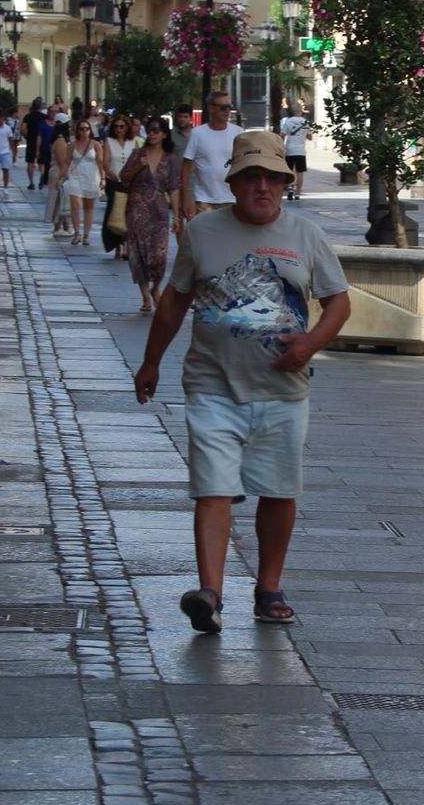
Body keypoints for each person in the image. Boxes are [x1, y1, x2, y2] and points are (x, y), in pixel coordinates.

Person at [134, 130, 352, 633]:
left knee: (278, 491)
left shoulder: (307, 237)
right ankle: (210, 591)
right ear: (233, 184)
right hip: (213, 385)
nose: (261, 187)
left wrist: (311, 343)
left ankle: (268, 587)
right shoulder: (203, 233)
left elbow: (338, 301)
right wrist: (151, 363)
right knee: (213, 489)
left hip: (283, 390)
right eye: (250, 177)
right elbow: (174, 302)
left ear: (285, 183)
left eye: (271, 179)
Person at [120, 119, 180, 310]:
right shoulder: (138, 153)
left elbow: (174, 188)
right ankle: (146, 296)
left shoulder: (170, 159)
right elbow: (124, 177)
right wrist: (139, 166)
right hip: (137, 209)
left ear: (164, 134)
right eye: (149, 130)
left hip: (159, 210)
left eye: (156, 130)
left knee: (159, 255)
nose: (152, 134)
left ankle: (156, 287)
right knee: (139, 253)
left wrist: (177, 215)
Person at [179, 91, 244, 227]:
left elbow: (244, 164)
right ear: (211, 108)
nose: (227, 111)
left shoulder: (238, 133)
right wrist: (186, 199)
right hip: (203, 200)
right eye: (223, 107)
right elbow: (186, 167)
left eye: (229, 106)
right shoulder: (197, 133)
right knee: (205, 242)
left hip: (231, 199)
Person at [101, 112, 138, 259]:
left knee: (129, 213)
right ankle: (117, 244)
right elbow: (105, 162)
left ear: (127, 128)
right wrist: (111, 174)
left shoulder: (133, 142)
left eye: (122, 127)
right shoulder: (109, 142)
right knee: (115, 213)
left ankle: (126, 245)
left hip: (130, 183)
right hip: (114, 182)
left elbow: (136, 160)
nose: (119, 129)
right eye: (116, 127)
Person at [64, 117, 103, 244]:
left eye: (86, 129)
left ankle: (86, 235)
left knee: (89, 207)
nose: (84, 131)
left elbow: (101, 163)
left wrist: (103, 178)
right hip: (75, 177)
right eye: (81, 129)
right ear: (77, 131)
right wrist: (60, 177)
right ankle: (76, 233)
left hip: (91, 177)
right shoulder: (72, 145)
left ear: (90, 131)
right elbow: (66, 162)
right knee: (75, 205)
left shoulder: (96, 145)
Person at [45, 116, 73, 237]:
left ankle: (64, 224)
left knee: (62, 200)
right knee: (59, 200)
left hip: (58, 171)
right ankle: (58, 225)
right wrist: (62, 177)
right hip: (59, 172)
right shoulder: (61, 141)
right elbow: (63, 162)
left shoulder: (59, 140)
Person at [279, 108, 310, 200]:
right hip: (300, 151)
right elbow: (310, 137)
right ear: (301, 113)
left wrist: (281, 147)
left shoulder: (288, 121)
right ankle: (298, 193)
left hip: (289, 150)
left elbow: (283, 135)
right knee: (300, 172)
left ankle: (290, 188)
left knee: (289, 170)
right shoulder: (305, 122)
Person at [22, 98, 47, 190]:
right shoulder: (44, 117)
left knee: (30, 163)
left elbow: (23, 128)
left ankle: (31, 182)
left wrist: (26, 136)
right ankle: (42, 177)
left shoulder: (28, 117)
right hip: (42, 141)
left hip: (31, 141)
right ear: (40, 106)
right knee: (42, 163)